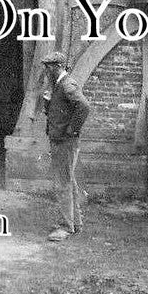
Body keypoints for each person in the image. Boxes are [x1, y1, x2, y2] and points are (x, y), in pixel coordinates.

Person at [36, 51, 90, 241]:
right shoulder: (58, 84)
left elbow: (84, 106)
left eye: (48, 66)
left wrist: (71, 130)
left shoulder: (67, 84)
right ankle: (75, 223)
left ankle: (65, 227)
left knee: (62, 184)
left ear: (57, 66)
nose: (46, 70)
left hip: (65, 141)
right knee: (69, 182)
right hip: (61, 139)